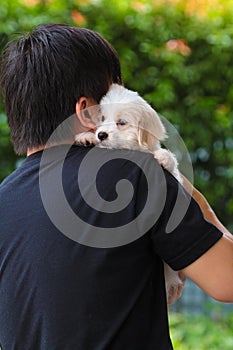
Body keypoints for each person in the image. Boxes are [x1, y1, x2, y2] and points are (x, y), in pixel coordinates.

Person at [0, 24, 232, 350]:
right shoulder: (135, 174)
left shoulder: (4, 199)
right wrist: (195, 199)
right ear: (87, 111)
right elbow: (228, 280)